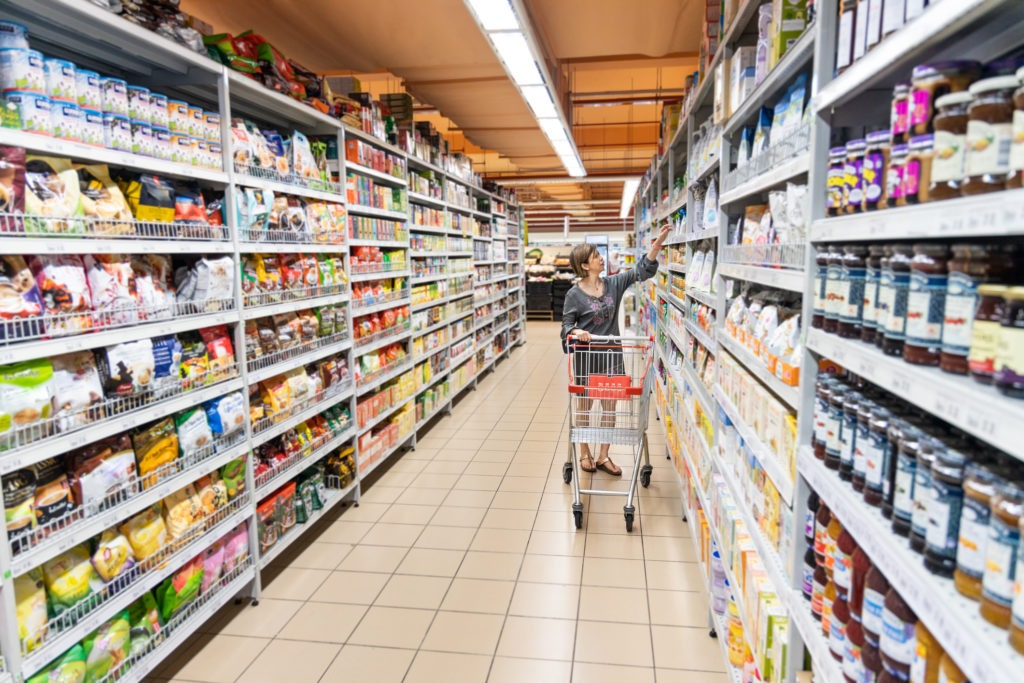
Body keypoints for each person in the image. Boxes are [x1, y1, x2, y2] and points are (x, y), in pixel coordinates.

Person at [560, 223, 671, 475]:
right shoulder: (573, 295)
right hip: (587, 359)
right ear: (585, 266)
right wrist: (577, 332)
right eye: (596, 256)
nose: (601, 258)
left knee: (610, 407)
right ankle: (584, 452)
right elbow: (566, 325)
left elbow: (641, 272)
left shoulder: (613, 284)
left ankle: (603, 455)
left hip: (612, 357)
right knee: (585, 407)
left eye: (600, 254)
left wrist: (658, 243)